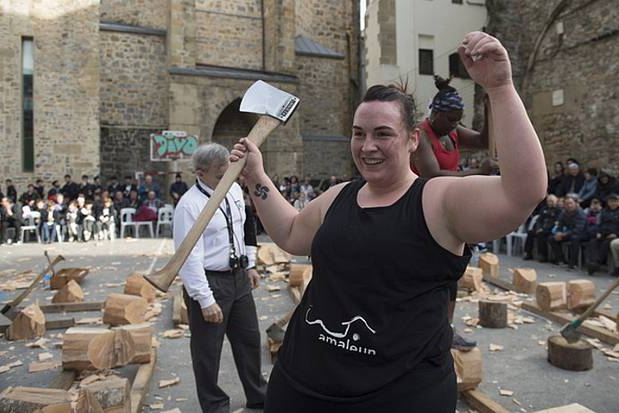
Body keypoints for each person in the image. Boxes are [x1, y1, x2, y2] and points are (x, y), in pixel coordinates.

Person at [230, 31, 547, 412]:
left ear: (413, 139)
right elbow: (292, 233)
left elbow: (523, 191)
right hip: (302, 387)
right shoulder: (340, 197)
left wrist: (500, 87)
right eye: (358, 134)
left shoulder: (436, 199)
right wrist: (256, 176)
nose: (367, 147)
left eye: (383, 134)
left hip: (399, 397)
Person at [174, 143, 266, 412]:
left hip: (238, 278)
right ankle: (214, 405)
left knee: (250, 340)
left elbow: (246, 226)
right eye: (219, 174)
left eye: (228, 172)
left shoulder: (234, 189)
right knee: (207, 351)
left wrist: (250, 264)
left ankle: (258, 394)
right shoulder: (189, 206)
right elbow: (187, 257)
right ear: (200, 173)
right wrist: (204, 299)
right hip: (210, 280)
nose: (226, 178)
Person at [410, 75, 493, 351]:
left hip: (447, 211)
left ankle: (445, 330)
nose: (454, 125)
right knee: (425, 275)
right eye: (450, 119)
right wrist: (476, 174)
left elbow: (484, 140)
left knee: (451, 273)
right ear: (436, 112)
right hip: (420, 209)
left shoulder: (453, 132)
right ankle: (422, 329)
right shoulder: (421, 135)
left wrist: (490, 107)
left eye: (458, 119)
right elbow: (431, 173)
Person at [584, 194, 619, 275]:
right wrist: (598, 232)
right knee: (593, 242)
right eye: (611, 201)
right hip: (603, 233)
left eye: (615, 201)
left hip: (615, 235)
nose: (613, 203)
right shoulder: (603, 212)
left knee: (606, 243)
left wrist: (616, 234)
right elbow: (598, 224)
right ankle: (591, 262)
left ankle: (597, 263)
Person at [548, 195, 587, 269]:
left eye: (571, 203)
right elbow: (560, 224)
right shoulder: (564, 213)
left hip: (582, 234)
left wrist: (563, 234)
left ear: (576, 203)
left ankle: (573, 263)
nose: (569, 205)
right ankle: (561, 259)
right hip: (569, 233)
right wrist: (558, 232)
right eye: (566, 203)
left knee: (574, 238)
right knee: (552, 238)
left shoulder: (580, 213)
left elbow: (578, 230)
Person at [523, 194, 559, 261]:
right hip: (540, 228)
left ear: (556, 201)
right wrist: (538, 228)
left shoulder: (558, 210)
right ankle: (528, 253)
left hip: (550, 229)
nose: (550, 202)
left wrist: (543, 229)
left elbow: (555, 222)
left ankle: (542, 255)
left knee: (541, 234)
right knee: (530, 233)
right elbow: (539, 220)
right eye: (549, 201)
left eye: (552, 201)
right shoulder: (544, 208)